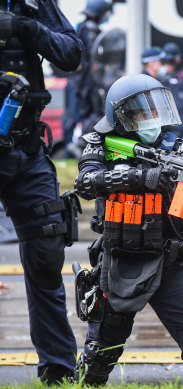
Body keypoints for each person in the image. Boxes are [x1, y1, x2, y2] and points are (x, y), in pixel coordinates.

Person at [73, 74, 183, 384]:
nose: (152, 120)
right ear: (121, 117)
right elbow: (85, 184)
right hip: (120, 260)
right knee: (98, 358)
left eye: (155, 111)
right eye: (143, 113)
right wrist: (140, 178)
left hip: (172, 259)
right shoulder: (101, 144)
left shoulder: (181, 151)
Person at [0, 0, 83, 384]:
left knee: (47, 251)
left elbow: (71, 54)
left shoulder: (30, 2)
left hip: (25, 149)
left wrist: (28, 29)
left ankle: (58, 369)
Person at [75, 0, 113, 131]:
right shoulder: (90, 27)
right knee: (92, 111)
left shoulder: (81, 26)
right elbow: (94, 53)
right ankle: (82, 142)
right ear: (98, 13)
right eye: (104, 13)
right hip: (89, 79)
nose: (106, 16)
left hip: (83, 78)